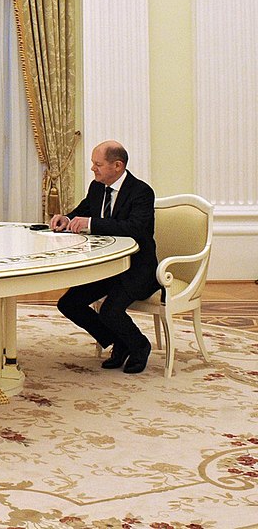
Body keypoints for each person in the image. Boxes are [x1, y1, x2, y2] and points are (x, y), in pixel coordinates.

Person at [51, 140, 159, 374]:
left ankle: (140, 346)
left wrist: (91, 224)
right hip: (107, 267)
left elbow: (136, 228)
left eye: (97, 164)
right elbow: (82, 212)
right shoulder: (97, 187)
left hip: (138, 269)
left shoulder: (141, 192)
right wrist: (66, 219)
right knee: (69, 303)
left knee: (110, 310)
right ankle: (120, 341)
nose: (93, 168)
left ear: (117, 166)